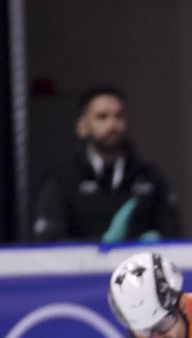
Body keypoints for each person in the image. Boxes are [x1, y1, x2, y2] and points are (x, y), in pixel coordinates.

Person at [32, 85, 180, 243]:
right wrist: (100, 245)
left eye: (119, 116)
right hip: (83, 259)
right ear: (82, 127)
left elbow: (174, 234)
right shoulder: (62, 180)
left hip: (139, 259)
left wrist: (153, 244)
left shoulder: (150, 178)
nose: (112, 125)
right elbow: (48, 242)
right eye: (102, 117)